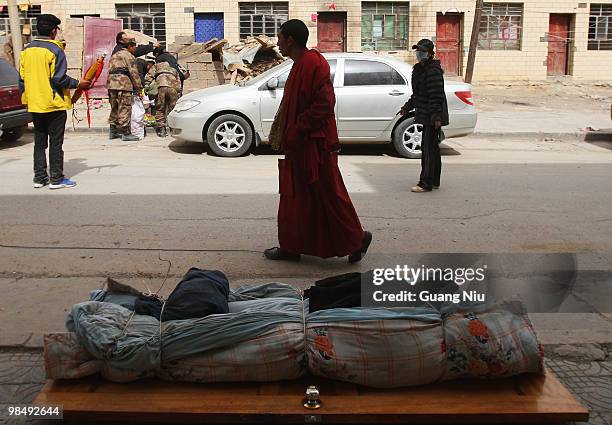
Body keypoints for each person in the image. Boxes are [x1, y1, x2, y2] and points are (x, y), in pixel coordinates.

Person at [264, 19, 372, 263]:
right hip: (299, 146)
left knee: (330, 198)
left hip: (315, 146)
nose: (278, 43)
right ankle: (291, 246)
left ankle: (357, 238)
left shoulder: (314, 63)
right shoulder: (298, 64)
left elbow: (324, 105)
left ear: (290, 40)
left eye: (280, 38)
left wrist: (298, 128)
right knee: (296, 198)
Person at [19, 14, 91, 189]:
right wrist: (77, 83)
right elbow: (59, 79)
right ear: (53, 30)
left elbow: (21, 80)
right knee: (55, 142)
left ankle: (39, 178)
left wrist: (29, 97)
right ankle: (56, 179)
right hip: (54, 103)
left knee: (39, 142)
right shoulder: (55, 50)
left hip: (35, 103)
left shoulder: (26, 50)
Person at [400, 39, 448, 193]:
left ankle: (425, 183)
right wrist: (406, 108)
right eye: (418, 51)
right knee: (432, 148)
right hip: (427, 114)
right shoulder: (419, 69)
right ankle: (434, 180)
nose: (419, 54)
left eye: (422, 51)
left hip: (432, 116)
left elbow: (436, 96)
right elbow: (418, 95)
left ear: (430, 53)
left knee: (427, 149)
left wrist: (436, 118)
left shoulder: (433, 71)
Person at [107, 37, 143, 141]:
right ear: (130, 46)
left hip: (111, 84)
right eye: (134, 46)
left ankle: (113, 131)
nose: (135, 49)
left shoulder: (115, 55)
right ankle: (125, 133)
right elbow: (134, 73)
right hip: (123, 84)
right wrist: (139, 88)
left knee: (114, 107)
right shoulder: (128, 55)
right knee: (125, 107)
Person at [146, 47, 181, 137]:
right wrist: (179, 91)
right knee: (173, 109)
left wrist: (146, 86)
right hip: (173, 88)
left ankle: (161, 130)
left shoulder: (157, 65)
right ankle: (173, 129)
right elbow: (179, 79)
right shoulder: (173, 66)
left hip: (161, 87)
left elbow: (150, 76)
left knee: (160, 108)